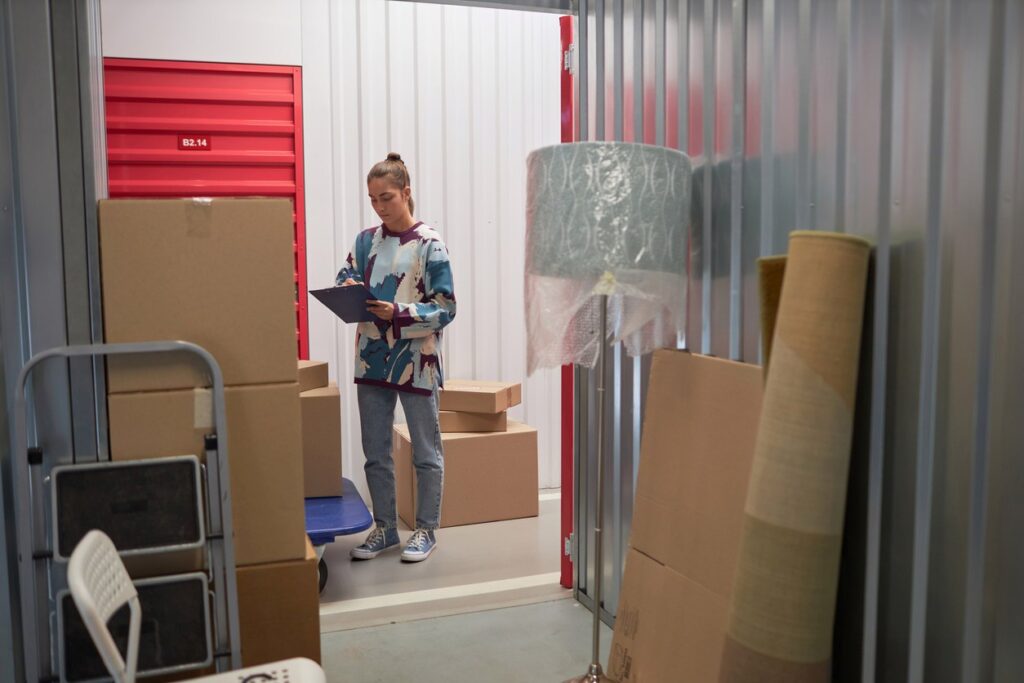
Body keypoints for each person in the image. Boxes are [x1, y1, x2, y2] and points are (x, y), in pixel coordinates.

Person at [337, 153, 456, 562]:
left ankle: (426, 529)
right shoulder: (365, 241)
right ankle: (384, 528)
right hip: (371, 356)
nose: (380, 206)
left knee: (425, 450)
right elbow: (344, 278)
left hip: (416, 361)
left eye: (386, 197)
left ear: (407, 193)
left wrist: (400, 313)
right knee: (376, 451)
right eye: (372, 199)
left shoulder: (430, 245)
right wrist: (348, 286)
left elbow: (446, 308)